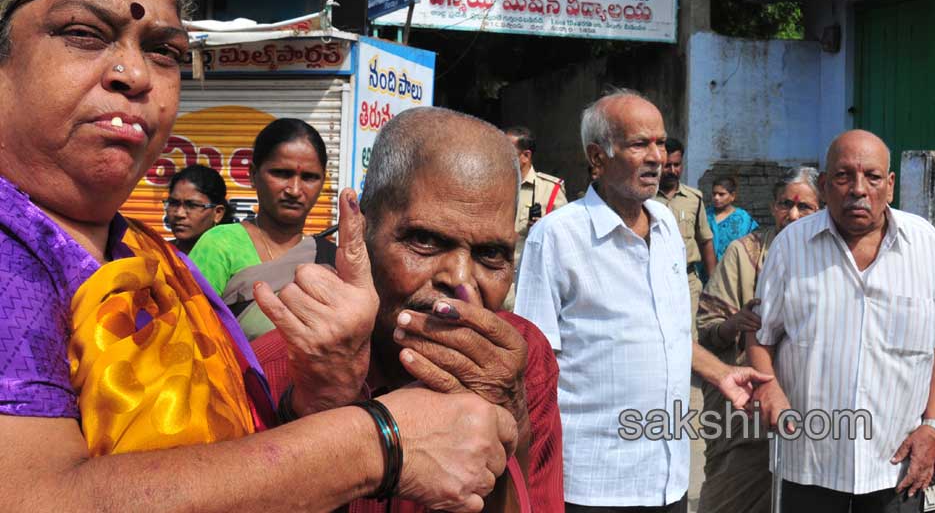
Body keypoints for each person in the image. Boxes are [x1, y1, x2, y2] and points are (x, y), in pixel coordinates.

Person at [0, 0, 520, 511]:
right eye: (86, 34)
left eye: (163, 51)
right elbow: (31, 497)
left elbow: (234, 461)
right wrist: (378, 443)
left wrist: (323, 394)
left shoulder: (147, 254)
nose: (135, 74)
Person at [254, 107, 564, 512]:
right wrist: (318, 414)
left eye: (491, 255)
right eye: (425, 241)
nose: (460, 280)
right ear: (361, 230)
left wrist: (510, 428)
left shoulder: (522, 360)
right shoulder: (271, 370)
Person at [515, 88, 773, 512]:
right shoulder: (558, 237)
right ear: (598, 158)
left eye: (660, 142)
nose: (657, 156)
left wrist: (721, 374)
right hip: (593, 482)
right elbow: (533, 367)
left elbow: (668, 334)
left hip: (667, 477)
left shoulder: (668, 226)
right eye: (639, 144)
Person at [748, 130, 935, 512]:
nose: (858, 189)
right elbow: (761, 336)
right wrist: (769, 388)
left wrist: (934, 427)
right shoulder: (790, 246)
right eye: (843, 176)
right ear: (824, 185)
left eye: (872, 177)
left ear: (890, 185)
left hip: (897, 467)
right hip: (809, 464)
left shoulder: (927, 245)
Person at [694, 166, 820, 513]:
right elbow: (705, 329)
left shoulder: (831, 259)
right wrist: (734, 324)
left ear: (821, 209)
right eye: (785, 204)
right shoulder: (744, 253)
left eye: (804, 207)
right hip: (745, 411)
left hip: (809, 408)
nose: (792, 215)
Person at [189, 118, 337, 340]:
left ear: (323, 181)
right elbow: (190, 333)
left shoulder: (329, 258)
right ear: (252, 175)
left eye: (309, 177)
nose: (295, 190)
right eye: (281, 173)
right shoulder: (219, 245)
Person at [654, 137, 717, 333]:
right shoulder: (644, 199)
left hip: (687, 279)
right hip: (655, 279)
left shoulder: (694, 198)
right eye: (667, 166)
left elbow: (705, 241)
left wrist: (713, 284)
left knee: (689, 338)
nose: (673, 171)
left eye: (677, 165)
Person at [503, 126, 568, 311]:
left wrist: (544, 228)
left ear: (526, 156)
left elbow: (564, 241)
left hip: (527, 288)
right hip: (493, 285)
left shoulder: (549, 189)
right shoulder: (493, 185)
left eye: (507, 151)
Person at [164, 164, 233, 254]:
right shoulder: (160, 255)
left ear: (218, 213)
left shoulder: (232, 257)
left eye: (192, 205)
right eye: (173, 203)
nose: (179, 214)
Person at [706, 176, 758, 262]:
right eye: (714, 194)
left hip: (734, 267)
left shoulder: (743, 218)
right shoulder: (705, 215)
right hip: (707, 269)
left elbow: (753, 244)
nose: (716, 198)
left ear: (732, 196)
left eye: (721, 194)